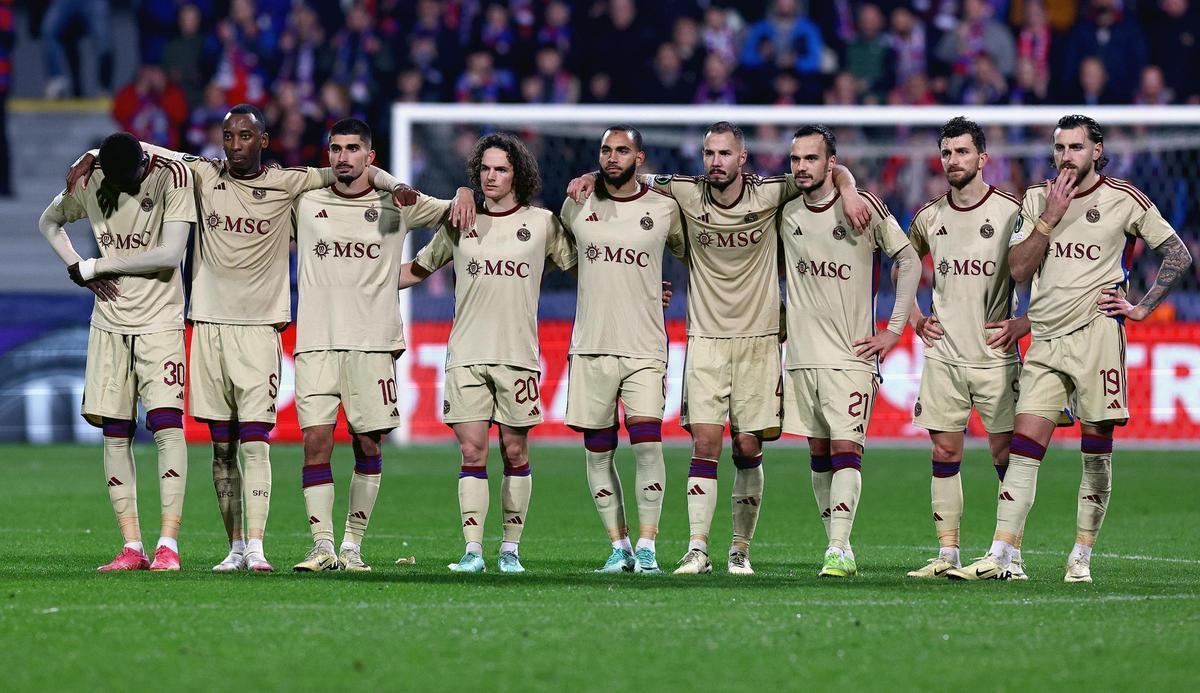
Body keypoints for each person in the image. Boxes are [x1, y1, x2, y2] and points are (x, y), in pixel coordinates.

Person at [66, 104, 414, 573]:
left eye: (245, 136)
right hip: (207, 324)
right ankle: (234, 547)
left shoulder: (289, 182)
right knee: (221, 446)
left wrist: (396, 184)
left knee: (256, 441)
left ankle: (257, 547)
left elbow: (349, 169)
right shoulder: (203, 173)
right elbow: (145, 151)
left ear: (263, 141)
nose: (234, 145)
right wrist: (94, 154)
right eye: (228, 136)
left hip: (261, 327)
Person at [568, 121, 872, 575]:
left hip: (759, 340)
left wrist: (848, 190)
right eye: (709, 153)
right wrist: (591, 175)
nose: (716, 162)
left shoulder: (771, 192)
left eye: (725, 154)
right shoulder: (685, 192)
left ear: (742, 158)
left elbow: (827, 171)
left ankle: (739, 550)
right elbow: (627, 175)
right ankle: (697, 548)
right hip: (705, 338)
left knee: (747, 446)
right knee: (705, 443)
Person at [950, 114, 1192, 582]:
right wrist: (1049, 218)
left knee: (1096, 451)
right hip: (1045, 340)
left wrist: (1141, 308)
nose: (1066, 156)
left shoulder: (1124, 199)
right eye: (1060, 148)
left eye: (1076, 147)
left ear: (1096, 151)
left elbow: (1178, 253)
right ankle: (1002, 555)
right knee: (1023, 448)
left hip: (1097, 337)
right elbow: (1019, 270)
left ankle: (1081, 556)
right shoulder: (1036, 199)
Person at [291, 118, 474, 572]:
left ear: (370, 157)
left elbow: (455, 214)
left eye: (353, 148)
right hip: (315, 341)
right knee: (315, 442)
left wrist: (462, 197)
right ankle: (322, 546)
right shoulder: (306, 201)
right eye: (336, 148)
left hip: (372, 344)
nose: (343, 157)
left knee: (368, 445)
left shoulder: (397, 204)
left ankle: (352, 546)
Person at [400, 132, 574, 574]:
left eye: (501, 169)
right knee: (472, 453)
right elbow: (416, 271)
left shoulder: (542, 223)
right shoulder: (460, 220)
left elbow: (586, 270)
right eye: (485, 169)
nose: (491, 176)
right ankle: (473, 551)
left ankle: (510, 549)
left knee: (515, 452)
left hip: (518, 356)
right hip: (466, 355)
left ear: (518, 174)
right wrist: (353, 277)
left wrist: (641, 289)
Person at [39, 132, 194, 570]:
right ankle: (132, 547)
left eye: (133, 177)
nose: (128, 185)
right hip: (108, 324)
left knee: (167, 426)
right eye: (119, 180)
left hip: (160, 321)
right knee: (115, 431)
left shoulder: (173, 176)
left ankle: (168, 545)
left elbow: (169, 255)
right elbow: (48, 222)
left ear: (144, 163)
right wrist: (75, 265)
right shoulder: (91, 180)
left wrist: (93, 266)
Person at [777, 125, 921, 578]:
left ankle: (838, 548)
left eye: (811, 158)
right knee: (819, 455)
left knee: (846, 448)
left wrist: (894, 330)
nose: (802, 167)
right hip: (802, 356)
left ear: (831, 163)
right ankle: (837, 544)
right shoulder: (785, 211)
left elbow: (909, 260)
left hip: (852, 355)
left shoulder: (863, 208)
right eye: (796, 159)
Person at [902, 117, 1031, 579]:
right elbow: (901, 263)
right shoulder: (928, 217)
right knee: (943, 453)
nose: (953, 160)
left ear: (982, 158)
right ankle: (948, 554)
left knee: (1005, 455)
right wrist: (915, 318)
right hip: (944, 355)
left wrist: (1025, 322)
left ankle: (1010, 556)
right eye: (946, 153)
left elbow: (1048, 270)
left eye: (962, 152)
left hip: (995, 354)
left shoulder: (1012, 211)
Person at [559, 125, 684, 574]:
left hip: (644, 347)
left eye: (622, 151)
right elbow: (562, 256)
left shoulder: (664, 208)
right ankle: (619, 546)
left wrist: (651, 286)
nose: (612, 158)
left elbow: (694, 256)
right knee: (598, 452)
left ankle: (648, 546)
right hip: (590, 346)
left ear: (639, 158)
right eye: (606, 151)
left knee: (648, 445)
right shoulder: (577, 203)